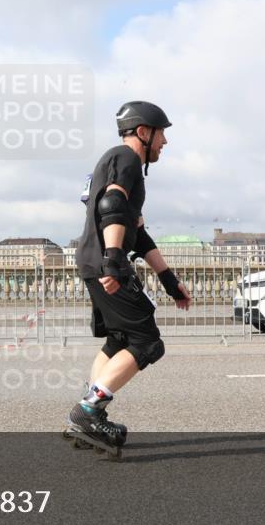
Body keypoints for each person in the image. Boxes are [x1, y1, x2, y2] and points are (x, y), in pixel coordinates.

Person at [68, 101, 193, 448]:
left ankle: (92, 415)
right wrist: (114, 262)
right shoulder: (126, 160)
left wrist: (169, 280)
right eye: (162, 133)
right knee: (147, 343)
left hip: (95, 261)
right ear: (143, 132)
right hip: (106, 263)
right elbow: (112, 206)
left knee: (120, 341)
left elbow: (138, 233)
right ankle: (88, 410)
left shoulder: (114, 163)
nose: (164, 142)